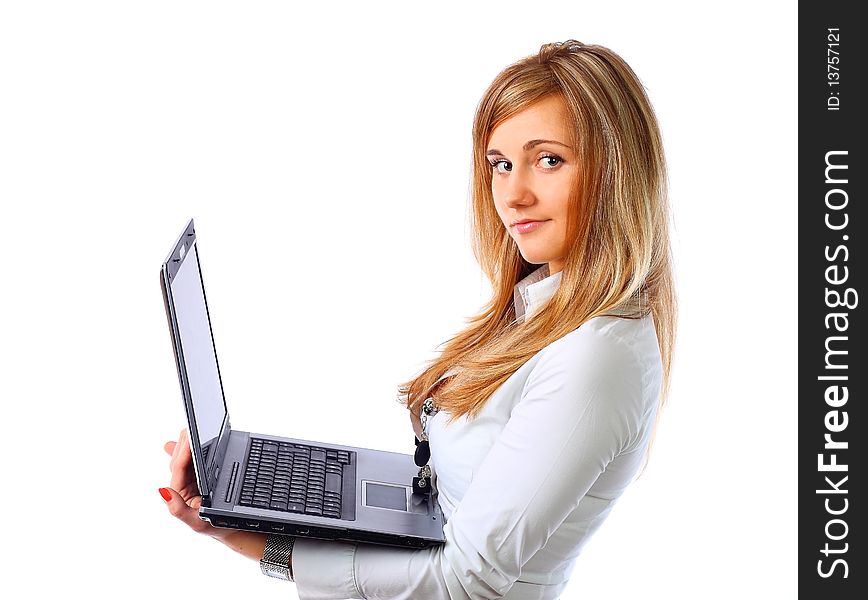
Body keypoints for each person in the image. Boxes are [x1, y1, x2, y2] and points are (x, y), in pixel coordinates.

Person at [160, 39, 676, 600]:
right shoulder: (543, 308)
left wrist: (264, 544)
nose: (513, 195)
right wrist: (280, 499)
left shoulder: (596, 356)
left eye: (548, 160)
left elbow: (466, 581)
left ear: (618, 171)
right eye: (500, 165)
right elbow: (456, 505)